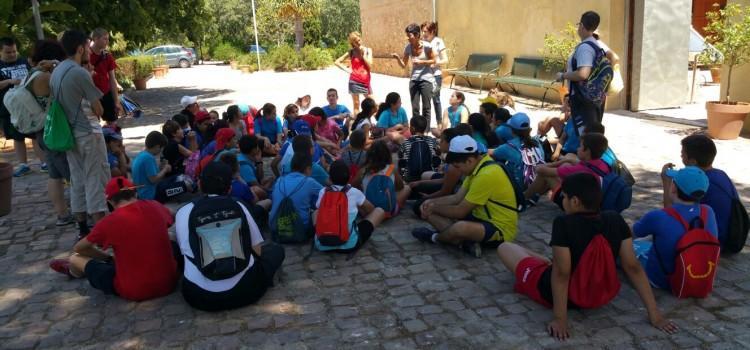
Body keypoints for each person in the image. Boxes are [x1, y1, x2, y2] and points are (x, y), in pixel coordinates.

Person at [496, 173, 678, 340]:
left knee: (505, 247)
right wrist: (655, 314)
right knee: (543, 260)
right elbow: (633, 267)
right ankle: (544, 262)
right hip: (600, 290)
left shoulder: (564, 223)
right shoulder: (614, 219)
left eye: (564, 197)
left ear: (575, 201)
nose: (563, 201)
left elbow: (561, 274)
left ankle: (542, 264)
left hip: (558, 293)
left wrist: (560, 319)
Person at [49, 176, 179, 301]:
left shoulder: (109, 222)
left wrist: (108, 258)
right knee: (169, 236)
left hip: (134, 289)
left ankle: (74, 271)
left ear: (110, 201)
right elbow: (172, 217)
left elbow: (80, 248)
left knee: (75, 257)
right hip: (169, 283)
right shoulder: (154, 205)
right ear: (135, 193)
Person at [177, 162, 285, 311]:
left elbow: (186, 251)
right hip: (245, 290)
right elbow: (258, 250)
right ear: (229, 188)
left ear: (200, 184)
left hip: (200, 296)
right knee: (276, 251)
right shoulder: (239, 206)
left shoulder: (184, 212)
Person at [412, 135, 518, 258]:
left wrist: (434, 207)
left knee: (460, 228)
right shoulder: (476, 166)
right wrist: (430, 203)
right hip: (480, 217)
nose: (459, 171)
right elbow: (456, 198)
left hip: (499, 228)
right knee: (426, 208)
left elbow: (460, 211)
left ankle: (435, 237)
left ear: (469, 161)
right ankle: (465, 242)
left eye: (458, 166)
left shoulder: (487, 174)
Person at [51, 30, 110, 240]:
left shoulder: (57, 71)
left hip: (69, 134)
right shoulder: (79, 72)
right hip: (87, 133)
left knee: (77, 179)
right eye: (87, 46)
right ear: (79, 48)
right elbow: (99, 110)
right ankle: (101, 229)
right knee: (95, 178)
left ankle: (82, 227)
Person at [634, 166, 718, 290]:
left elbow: (633, 232)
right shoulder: (708, 212)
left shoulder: (658, 216)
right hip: (695, 275)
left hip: (662, 280)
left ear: (673, 188)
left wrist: (665, 181)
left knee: (629, 247)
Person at [663, 134, 741, 251]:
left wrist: (666, 181)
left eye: (683, 154)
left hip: (713, 242)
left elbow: (670, 212)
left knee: (660, 227)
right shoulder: (720, 174)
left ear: (693, 161)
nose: (681, 155)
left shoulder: (699, 186)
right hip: (732, 235)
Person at [24, 39, 73, 226]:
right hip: (53, 130)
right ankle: (81, 212)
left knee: (54, 174)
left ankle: (62, 213)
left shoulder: (32, 74)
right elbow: (63, 92)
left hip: (41, 130)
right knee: (69, 173)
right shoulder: (45, 77)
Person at [313, 160, 385, 252]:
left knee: (315, 212)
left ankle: (319, 233)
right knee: (379, 211)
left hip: (322, 244)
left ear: (330, 178)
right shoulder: (354, 192)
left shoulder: (323, 192)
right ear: (349, 177)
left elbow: (319, 210)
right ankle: (352, 230)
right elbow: (370, 209)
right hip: (349, 244)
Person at [0, 37, 47, 177]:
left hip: (29, 105)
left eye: (14, 51)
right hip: (9, 107)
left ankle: (44, 162)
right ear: (0, 52)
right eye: (8, 52)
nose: (12, 54)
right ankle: (23, 164)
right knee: (17, 136)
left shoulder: (24, 62)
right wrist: (9, 81)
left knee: (35, 133)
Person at [523, 133, 609, 206]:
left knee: (545, 174)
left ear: (587, 151)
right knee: (570, 156)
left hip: (576, 205)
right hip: (592, 199)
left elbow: (540, 170)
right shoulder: (603, 163)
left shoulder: (578, 169)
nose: (577, 149)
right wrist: (563, 161)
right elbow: (573, 160)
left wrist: (542, 165)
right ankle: (536, 193)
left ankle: (523, 198)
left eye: (580, 146)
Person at [555, 11, 605, 134]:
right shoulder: (595, 44)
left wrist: (563, 75)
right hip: (591, 97)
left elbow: (583, 73)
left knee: (584, 135)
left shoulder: (585, 47)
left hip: (584, 100)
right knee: (589, 134)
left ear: (582, 25)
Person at [270, 152, 324, 237]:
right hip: (300, 228)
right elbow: (327, 194)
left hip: (276, 227)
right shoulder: (309, 181)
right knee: (317, 211)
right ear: (308, 169)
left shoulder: (280, 180)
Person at [391, 23, 436, 123]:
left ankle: (426, 130)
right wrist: (398, 58)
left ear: (417, 35)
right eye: (407, 35)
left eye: (409, 35)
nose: (408, 38)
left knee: (426, 108)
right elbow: (403, 65)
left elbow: (434, 61)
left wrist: (421, 62)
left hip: (426, 80)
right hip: (414, 80)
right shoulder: (408, 48)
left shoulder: (427, 46)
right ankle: (417, 130)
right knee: (415, 108)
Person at [132, 131, 192, 203]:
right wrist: (165, 170)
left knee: (177, 177)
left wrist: (162, 167)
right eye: (161, 148)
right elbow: (154, 179)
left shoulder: (142, 155)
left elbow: (151, 175)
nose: (161, 151)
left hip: (145, 191)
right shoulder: (148, 158)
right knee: (185, 185)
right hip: (151, 195)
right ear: (157, 146)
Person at [356, 140, 411, 217]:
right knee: (407, 188)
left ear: (369, 154)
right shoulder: (390, 169)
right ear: (387, 154)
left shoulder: (363, 170)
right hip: (388, 212)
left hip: (369, 211)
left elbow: (353, 187)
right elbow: (400, 187)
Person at [409, 127, 464, 202]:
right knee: (416, 187)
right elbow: (444, 180)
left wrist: (427, 198)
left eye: (441, 141)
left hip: (452, 195)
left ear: (449, 143)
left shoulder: (455, 165)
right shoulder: (451, 158)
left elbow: (445, 192)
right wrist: (419, 182)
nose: (439, 142)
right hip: (448, 188)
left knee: (418, 204)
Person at [491, 113, 542, 189]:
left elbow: (491, 153)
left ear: (512, 130)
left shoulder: (509, 146)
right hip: (535, 188)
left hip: (517, 191)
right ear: (529, 129)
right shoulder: (537, 143)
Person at [334, 32, 373, 116]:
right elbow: (337, 62)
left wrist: (363, 56)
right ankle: (357, 126)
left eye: (359, 40)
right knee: (356, 105)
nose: (358, 42)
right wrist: (348, 70)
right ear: (352, 43)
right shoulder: (351, 52)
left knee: (373, 104)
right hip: (354, 80)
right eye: (356, 41)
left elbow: (370, 66)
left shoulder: (367, 50)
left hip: (365, 81)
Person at [89, 28, 122, 128]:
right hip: (91, 94)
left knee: (112, 124)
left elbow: (112, 79)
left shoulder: (107, 56)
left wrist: (116, 101)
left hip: (106, 93)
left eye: (108, 39)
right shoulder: (87, 55)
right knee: (94, 124)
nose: (107, 42)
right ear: (95, 39)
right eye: (105, 39)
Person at [398, 115, 440, 182]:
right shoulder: (431, 140)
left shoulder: (405, 142)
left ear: (413, 128)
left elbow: (400, 157)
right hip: (428, 176)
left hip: (410, 177)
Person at [422, 22, 448, 125]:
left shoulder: (438, 42)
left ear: (432, 31)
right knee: (425, 102)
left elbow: (445, 59)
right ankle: (425, 125)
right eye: (422, 31)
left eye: (425, 31)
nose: (423, 33)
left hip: (436, 76)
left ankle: (439, 123)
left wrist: (435, 62)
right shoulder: (422, 42)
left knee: (436, 99)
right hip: (424, 76)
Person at [238, 134, 273, 200]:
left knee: (271, 179)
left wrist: (259, 162)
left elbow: (260, 178)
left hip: (253, 188)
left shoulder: (246, 157)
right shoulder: (244, 166)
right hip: (247, 196)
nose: (259, 148)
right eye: (257, 146)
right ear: (253, 150)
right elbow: (258, 187)